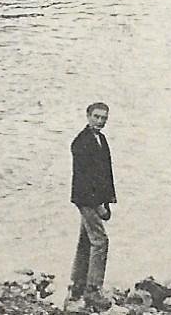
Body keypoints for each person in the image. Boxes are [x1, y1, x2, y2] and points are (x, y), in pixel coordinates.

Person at [69, 102, 117, 311]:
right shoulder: (81, 142)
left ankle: (77, 284)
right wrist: (98, 205)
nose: (100, 121)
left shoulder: (101, 139)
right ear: (88, 116)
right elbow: (86, 179)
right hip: (86, 199)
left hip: (95, 199)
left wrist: (108, 201)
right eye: (96, 117)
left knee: (87, 240)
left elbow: (105, 174)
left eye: (103, 118)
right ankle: (93, 290)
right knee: (100, 241)